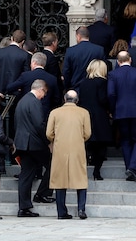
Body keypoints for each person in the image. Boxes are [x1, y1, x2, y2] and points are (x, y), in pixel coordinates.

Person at [46, 90, 92, 220]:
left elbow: (49, 133)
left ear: (64, 99)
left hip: (60, 148)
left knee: (60, 180)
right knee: (81, 178)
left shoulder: (55, 113)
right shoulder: (84, 112)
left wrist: (56, 138)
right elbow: (87, 133)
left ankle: (61, 211)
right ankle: (81, 209)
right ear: (77, 100)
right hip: (77, 148)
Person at [14, 79, 54, 217]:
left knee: (26, 175)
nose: (44, 97)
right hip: (34, 144)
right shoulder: (34, 102)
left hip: (22, 143)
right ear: (41, 89)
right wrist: (48, 141)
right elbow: (39, 124)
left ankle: (24, 207)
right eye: (44, 93)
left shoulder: (22, 100)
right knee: (52, 165)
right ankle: (42, 194)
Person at [107, 51, 136, 184]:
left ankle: (130, 167)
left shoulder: (113, 74)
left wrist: (113, 110)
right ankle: (133, 167)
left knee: (125, 140)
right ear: (130, 59)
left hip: (121, 111)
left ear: (118, 62)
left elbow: (111, 94)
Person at [77, 59, 112, 180]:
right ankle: (96, 172)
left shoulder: (83, 82)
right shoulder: (102, 82)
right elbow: (103, 99)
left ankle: (87, 163)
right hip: (99, 115)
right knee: (101, 144)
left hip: (85, 115)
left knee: (87, 142)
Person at [62, 26, 106, 92]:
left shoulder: (70, 51)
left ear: (78, 36)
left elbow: (66, 72)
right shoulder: (99, 50)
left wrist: (67, 87)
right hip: (94, 89)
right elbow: (103, 70)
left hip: (75, 88)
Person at [0, 29, 31, 94]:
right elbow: (25, 74)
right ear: (23, 42)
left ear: (11, 38)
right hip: (16, 90)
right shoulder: (24, 55)